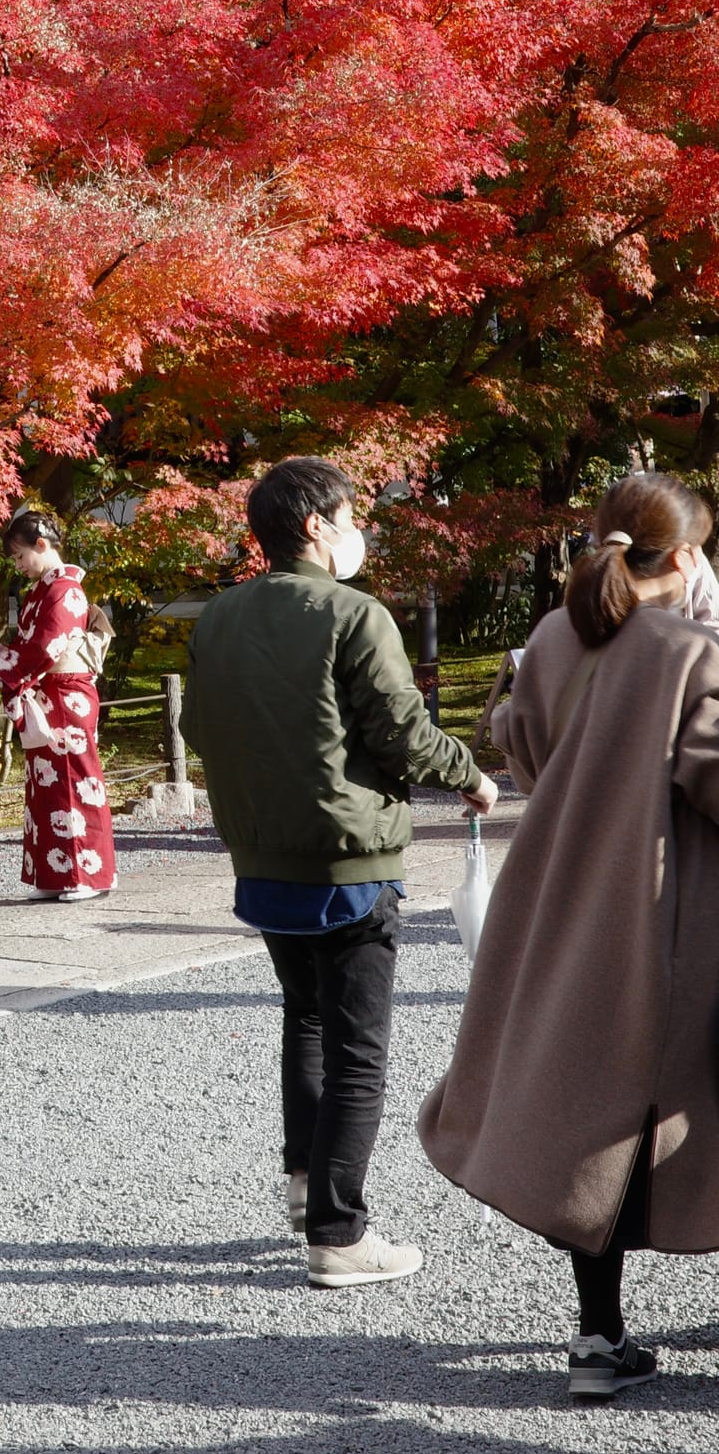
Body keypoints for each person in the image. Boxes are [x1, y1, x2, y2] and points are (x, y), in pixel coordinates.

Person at [420, 474, 719, 1401]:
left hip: (558, 899)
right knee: (692, 1104)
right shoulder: (690, 653)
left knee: (585, 1104)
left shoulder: (552, 638)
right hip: (671, 912)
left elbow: (528, 752)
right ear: (685, 558)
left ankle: (598, 1337)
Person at [184, 455, 496, 1290]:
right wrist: (470, 774)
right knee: (357, 1047)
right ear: (317, 525)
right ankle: (338, 1232)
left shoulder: (217, 618)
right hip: (351, 857)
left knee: (308, 1025)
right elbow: (401, 731)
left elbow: (198, 726)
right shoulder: (353, 614)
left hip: (263, 858)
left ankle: (305, 1191)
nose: (359, 528)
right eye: (351, 514)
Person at [0, 509, 117, 903]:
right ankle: (54, 872)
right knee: (45, 783)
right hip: (48, 692)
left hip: (66, 693)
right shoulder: (44, 590)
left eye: (21, 556)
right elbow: (34, 646)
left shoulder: (64, 591)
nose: (18, 565)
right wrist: (5, 661)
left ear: (42, 546)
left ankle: (87, 875)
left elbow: (46, 647)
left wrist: (4, 666)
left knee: (74, 780)